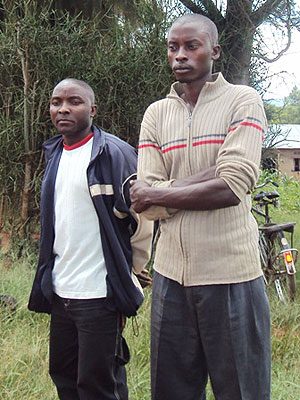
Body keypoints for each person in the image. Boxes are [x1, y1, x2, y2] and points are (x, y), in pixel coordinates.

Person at [130, 14, 271, 400]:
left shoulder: (243, 101)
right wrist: (203, 178)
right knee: (171, 392)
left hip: (232, 277)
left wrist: (162, 191)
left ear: (215, 51)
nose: (180, 55)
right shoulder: (156, 114)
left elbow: (232, 186)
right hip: (170, 279)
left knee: (242, 391)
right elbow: (145, 204)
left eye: (191, 46)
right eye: (173, 47)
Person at [28, 78, 153, 400]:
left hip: (100, 294)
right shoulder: (55, 153)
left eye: (75, 101)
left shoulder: (114, 154)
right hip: (61, 291)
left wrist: (131, 275)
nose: (64, 108)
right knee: (65, 378)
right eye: (57, 102)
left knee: (99, 386)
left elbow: (143, 220)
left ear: (93, 109)